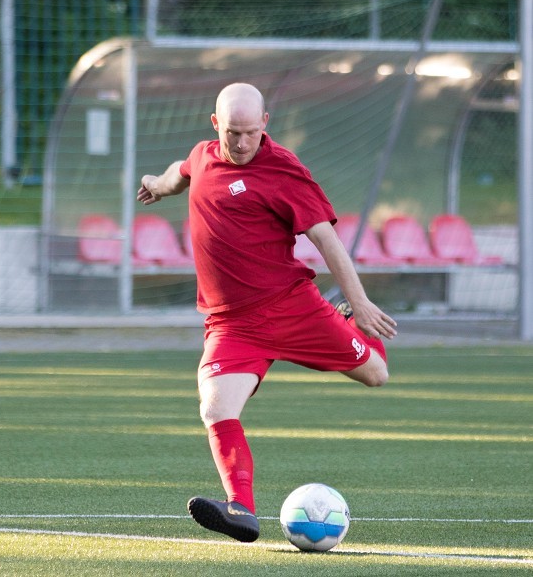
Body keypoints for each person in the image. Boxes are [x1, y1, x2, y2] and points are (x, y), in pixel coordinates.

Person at [137, 83, 397, 543]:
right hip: (231, 323)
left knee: (377, 375)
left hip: (291, 307)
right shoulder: (203, 155)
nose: (241, 144)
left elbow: (325, 239)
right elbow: (181, 173)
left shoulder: (283, 169)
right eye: (233, 133)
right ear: (216, 124)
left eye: (251, 133)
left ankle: (349, 324)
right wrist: (157, 186)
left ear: (265, 125)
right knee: (215, 407)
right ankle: (241, 510)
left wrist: (359, 303)